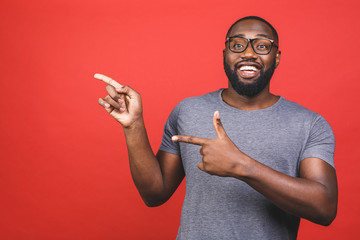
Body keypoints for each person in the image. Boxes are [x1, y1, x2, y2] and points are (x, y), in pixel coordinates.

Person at [96, 16, 338, 240]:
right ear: (225, 54)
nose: (249, 53)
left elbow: (324, 208)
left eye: (262, 46)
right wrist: (134, 126)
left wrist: (242, 166)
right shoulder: (188, 110)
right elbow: (154, 193)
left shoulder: (309, 123)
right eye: (238, 45)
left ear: (277, 57)